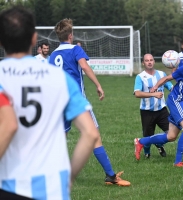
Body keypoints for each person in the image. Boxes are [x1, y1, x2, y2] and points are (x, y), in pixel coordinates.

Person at [0, 6, 99, 199]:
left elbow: (9, 125)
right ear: (34, 39)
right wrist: (69, 178)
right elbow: (90, 133)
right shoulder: (60, 79)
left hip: (9, 185)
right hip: (52, 189)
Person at [49, 18, 130, 186]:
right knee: (94, 136)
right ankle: (110, 176)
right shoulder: (75, 50)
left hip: (59, 101)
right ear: (70, 35)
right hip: (76, 101)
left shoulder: (53, 54)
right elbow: (84, 67)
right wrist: (98, 85)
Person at [134, 49, 183, 167]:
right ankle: (178, 162)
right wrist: (155, 87)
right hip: (176, 100)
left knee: (171, 136)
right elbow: (166, 79)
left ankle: (141, 142)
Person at [134, 53, 173, 158]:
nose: (149, 62)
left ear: (154, 61)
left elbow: (170, 86)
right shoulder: (140, 77)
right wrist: (153, 94)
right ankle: (147, 153)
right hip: (147, 112)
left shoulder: (161, 74)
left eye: (151, 60)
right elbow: (137, 93)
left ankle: (159, 144)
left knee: (171, 133)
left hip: (162, 110)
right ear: (143, 63)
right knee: (147, 137)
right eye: (147, 60)